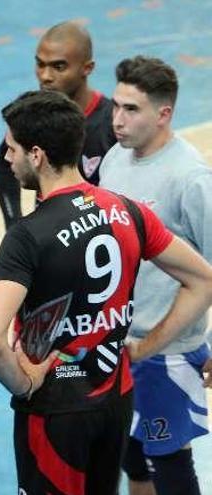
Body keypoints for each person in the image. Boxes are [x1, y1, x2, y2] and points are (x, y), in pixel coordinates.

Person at [0, 90, 212, 495]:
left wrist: (24, 384)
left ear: (37, 155)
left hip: (55, 409)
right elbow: (203, 279)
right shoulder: (130, 210)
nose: (6, 159)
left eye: (12, 149)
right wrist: (148, 345)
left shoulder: (26, 236)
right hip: (115, 396)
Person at [98, 56, 212, 495]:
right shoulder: (114, 158)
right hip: (117, 343)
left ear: (164, 114)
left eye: (131, 110)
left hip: (167, 351)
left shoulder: (191, 178)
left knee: (171, 464)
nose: (117, 120)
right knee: (131, 456)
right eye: (115, 106)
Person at [0, 20, 116, 228]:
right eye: (40, 64)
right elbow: (5, 160)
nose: (45, 76)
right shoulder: (35, 112)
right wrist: (13, 223)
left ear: (87, 68)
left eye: (58, 67)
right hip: (48, 240)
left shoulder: (113, 123)